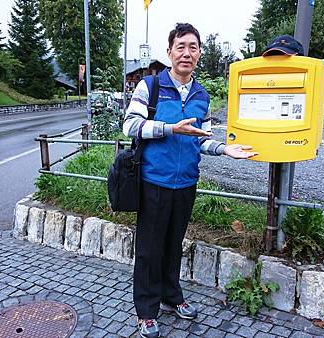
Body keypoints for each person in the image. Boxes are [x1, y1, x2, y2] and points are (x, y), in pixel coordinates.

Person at [122, 23, 257, 338]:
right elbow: (130, 125)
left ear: (199, 53)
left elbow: (201, 138)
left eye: (192, 47)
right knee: (148, 249)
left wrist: (224, 149)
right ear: (169, 51)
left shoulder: (202, 95)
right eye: (180, 46)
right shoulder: (150, 86)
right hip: (154, 180)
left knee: (173, 244)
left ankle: (172, 296)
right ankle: (146, 311)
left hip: (186, 183)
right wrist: (170, 129)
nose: (186, 53)